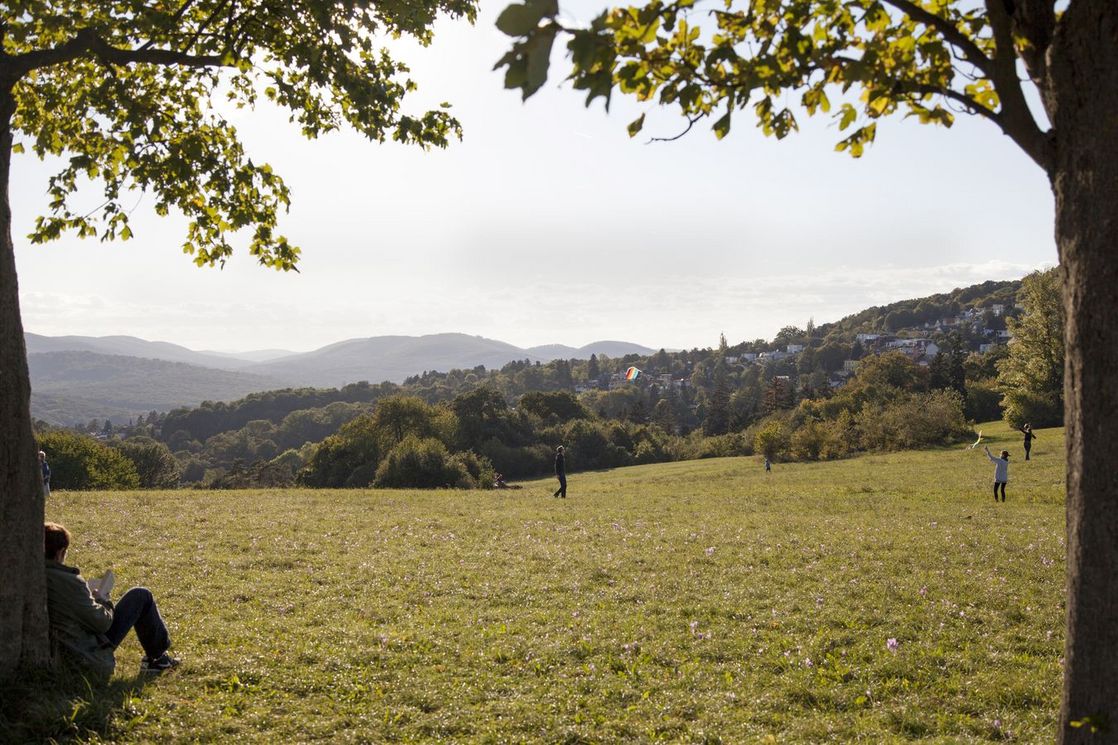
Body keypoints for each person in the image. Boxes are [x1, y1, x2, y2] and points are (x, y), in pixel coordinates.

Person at [44, 522, 178, 676]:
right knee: (140, 595)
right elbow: (102, 623)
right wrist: (102, 600)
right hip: (85, 654)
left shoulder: (32, 576)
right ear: (61, 552)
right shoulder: (67, 581)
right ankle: (158, 659)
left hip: (63, 645)